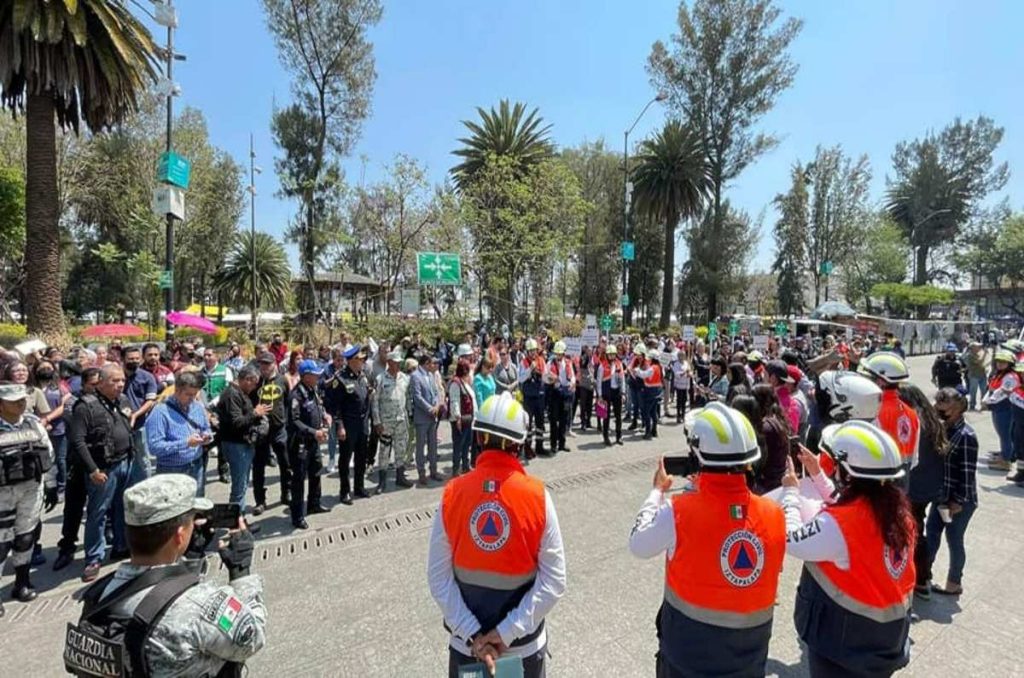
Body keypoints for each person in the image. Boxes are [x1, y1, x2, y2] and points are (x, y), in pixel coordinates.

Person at [629, 402, 786, 677]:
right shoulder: (774, 513)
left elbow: (638, 544)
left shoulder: (678, 511)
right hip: (748, 660)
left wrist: (656, 492)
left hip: (687, 657)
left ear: (698, 455)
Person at [63, 474, 266, 677]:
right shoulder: (201, 607)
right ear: (179, 535)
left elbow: (162, 589)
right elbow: (251, 637)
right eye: (191, 521)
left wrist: (190, 557)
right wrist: (241, 571)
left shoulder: (101, 595)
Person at [428, 392, 566, 677]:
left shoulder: (452, 494)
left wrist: (473, 635)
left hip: (467, 648)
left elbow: (438, 578)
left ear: (478, 438)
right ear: (519, 443)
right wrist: (505, 633)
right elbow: (554, 580)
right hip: (523, 648)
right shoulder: (538, 497)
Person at [781, 420, 915, 677]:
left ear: (848, 473)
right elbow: (847, 506)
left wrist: (790, 494)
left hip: (845, 645)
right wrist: (818, 474)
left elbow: (791, 539)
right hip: (886, 639)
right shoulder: (897, 512)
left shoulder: (839, 525)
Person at [71, 365, 137, 583]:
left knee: (122, 508)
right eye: (114, 381)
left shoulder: (123, 400)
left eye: (122, 381)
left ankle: (120, 546)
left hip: (124, 463)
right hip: (102, 469)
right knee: (98, 512)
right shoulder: (86, 406)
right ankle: (94, 557)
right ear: (101, 382)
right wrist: (93, 470)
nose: (120, 385)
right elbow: (78, 441)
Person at [0, 383, 57, 616]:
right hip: (3, 494)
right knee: (2, 544)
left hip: (31, 489)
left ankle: (22, 583)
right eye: (14, 401)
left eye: (22, 399)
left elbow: (48, 452)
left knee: (25, 537)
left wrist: (51, 485)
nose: (21, 404)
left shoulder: (33, 423)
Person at [926, 387, 979, 596]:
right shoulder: (943, 429)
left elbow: (967, 473)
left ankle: (954, 582)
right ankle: (923, 575)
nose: (939, 414)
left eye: (944, 410)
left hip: (958, 502)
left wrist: (957, 501)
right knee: (931, 535)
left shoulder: (966, 436)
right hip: (941, 497)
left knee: (954, 540)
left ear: (958, 409)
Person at [902, 383, 948, 600]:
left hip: (915, 487)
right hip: (931, 486)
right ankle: (923, 576)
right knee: (919, 529)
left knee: (914, 533)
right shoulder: (934, 422)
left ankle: (920, 578)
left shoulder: (914, 421)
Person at [54, 368, 102, 572]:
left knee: (100, 508)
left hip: (101, 462)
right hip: (79, 461)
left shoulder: (105, 401)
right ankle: (66, 547)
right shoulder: (74, 402)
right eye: (93, 384)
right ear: (83, 384)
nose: (96, 388)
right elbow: (77, 433)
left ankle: (98, 546)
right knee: (73, 508)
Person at [215, 365, 270, 519]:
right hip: (236, 445)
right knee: (239, 488)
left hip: (243, 444)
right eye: (254, 383)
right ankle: (236, 526)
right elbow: (237, 422)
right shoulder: (232, 394)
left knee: (243, 484)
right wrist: (255, 413)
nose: (254, 387)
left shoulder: (240, 393)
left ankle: (239, 521)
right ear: (247, 380)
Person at [144, 371, 212, 495]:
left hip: (196, 466)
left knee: (197, 506)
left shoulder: (197, 407)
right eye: (188, 394)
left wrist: (207, 436)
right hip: (172, 471)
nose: (192, 398)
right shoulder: (160, 412)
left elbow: (206, 428)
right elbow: (154, 447)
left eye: (194, 394)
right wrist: (185, 443)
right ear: (177, 390)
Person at [287, 360, 331, 529]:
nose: (318, 377)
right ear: (306, 376)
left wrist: (325, 416)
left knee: (316, 472)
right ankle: (297, 517)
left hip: (314, 442)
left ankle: (314, 504)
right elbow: (294, 421)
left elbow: (318, 407)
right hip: (300, 444)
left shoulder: (313, 390)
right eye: (315, 375)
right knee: (298, 481)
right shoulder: (296, 395)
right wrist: (314, 432)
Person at [860, 351, 919, 474]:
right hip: (903, 481)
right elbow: (914, 460)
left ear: (881, 381)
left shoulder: (872, 412)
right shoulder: (912, 414)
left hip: (878, 482)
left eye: (868, 377)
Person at [333, 345, 374, 503]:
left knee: (361, 457)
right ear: (351, 361)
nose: (363, 361)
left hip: (362, 424)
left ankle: (359, 487)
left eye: (363, 359)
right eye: (359, 359)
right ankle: (344, 491)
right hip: (348, 425)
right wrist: (340, 426)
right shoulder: (341, 379)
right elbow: (336, 407)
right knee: (345, 458)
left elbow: (364, 394)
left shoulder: (361, 376)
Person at [251, 353, 291, 515]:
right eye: (262, 365)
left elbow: (287, 402)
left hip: (279, 428)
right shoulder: (256, 381)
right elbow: (250, 401)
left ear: (274, 364)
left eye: (267, 365)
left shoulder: (282, 380)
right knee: (259, 466)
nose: (264, 368)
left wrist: (286, 422)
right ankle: (260, 500)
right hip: (261, 430)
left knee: (285, 462)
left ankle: (286, 492)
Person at [371, 350, 414, 491]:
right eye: (395, 362)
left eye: (399, 362)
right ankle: (382, 482)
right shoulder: (380, 379)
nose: (398, 365)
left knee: (401, 449)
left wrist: (409, 413)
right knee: (384, 451)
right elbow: (375, 402)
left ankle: (400, 477)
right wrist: (377, 422)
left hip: (401, 420)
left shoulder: (405, 378)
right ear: (389, 363)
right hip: (386, 422)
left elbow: (407, 398)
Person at [121, 347, 158, 482]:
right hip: (118, 424)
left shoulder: (147, 377)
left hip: (140, 424)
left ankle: (146, 486)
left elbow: (150, 401)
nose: (134, 361)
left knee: (142, 458)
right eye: (131, 359)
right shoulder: (117, 376)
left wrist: (136, 415)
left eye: (137, 358)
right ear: (123, 359)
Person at [982, 348, 1018, 471]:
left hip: (1005, 407)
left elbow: (1001, 392)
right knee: (1002, 433)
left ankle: (1006, 461)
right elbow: (992, 389)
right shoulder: (999, 374)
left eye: (1003, 362)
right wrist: (987, 399)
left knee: (1005, 435)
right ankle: (1004, 455)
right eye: (998, 361)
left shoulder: (1010, 377)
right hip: (998, 407)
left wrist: (988, 402)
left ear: (1010, 364)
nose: (1000, 363)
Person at [411, 353, 444, 486]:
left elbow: (435, 392)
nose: (434, 365)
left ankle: (434, 470)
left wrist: (436, 406)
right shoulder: (415, 376)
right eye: (432, 363)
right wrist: (430, 408)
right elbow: (417, 397)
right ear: (426, 364)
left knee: (433, 445)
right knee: (420, 446)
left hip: (432, 416)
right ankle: (421, 473)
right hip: (422, 417)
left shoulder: (431, 376)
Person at [518, 339, 547, 456]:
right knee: (528, 424)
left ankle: (540, 447)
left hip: (539, 396)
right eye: (530, 351)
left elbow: (545, 375)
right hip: (528, 397)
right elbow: (520, 379)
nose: (532, 353)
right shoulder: (523, 362)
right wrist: (530, 369)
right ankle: (528, 448)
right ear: (527, 351)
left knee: (540, 423)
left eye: (534, 351)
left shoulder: (541, 360)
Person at [545, 341, 575, 453]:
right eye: (556, 353)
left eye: (560, 353)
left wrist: (572, 382)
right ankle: (553, 444)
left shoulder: (568, 362)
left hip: (565, 394)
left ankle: (562, 443)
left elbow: (572, 376)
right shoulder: (549, 363)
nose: (558, 356)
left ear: (563, 353)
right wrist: (552, 378)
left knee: (564, 419)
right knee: (553, 420)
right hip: (554, 394)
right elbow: (546, 377)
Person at [449, 361, 475, 476]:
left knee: (466, 444)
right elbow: (454, 402)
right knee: (458, 445)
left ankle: (465, 465)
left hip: (468, 418)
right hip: (460, 420)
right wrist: (458, 418)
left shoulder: (464, 382)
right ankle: (455, 469)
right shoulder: (455, 383)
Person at [596, 344, 625, 447]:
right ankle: (606, 437)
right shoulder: (602, 365)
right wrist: (599, 395)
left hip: (616, 392)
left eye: (613, 354)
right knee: (605, 416)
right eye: (610, 355)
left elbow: (622, 379)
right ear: (607, 355)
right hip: (605, 393)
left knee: (618, 416)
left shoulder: (619, 364)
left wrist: (623, 393)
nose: (612, 356)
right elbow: (599, 381)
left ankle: (619, 436)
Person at [636, 349, 663, 440]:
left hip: (650, 392)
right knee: (653, 412)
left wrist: (637, 371)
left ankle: (648, 432)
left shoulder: (653, 368)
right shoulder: (659, 367)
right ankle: (654, 430)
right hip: (656, 392)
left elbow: (644, 375)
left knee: (646, 412)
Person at [962, 341, 988, 411]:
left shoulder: (977, 354)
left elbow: (982, 363)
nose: (979, 348)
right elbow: (979, 362)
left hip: (982, 375)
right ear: (973, 348)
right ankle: (972, 406)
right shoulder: (970, 355)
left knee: (984, 391)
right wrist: (985, 354)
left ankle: (983, 405)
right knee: (973, 391)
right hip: (974, 376)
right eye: (978, 347)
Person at [669, 349, 691, 424]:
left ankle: (683, 415)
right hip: (679, 385)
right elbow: (676, 374)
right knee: (679, 401)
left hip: (685, 385)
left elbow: (689, 371)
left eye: (683, 355)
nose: (681, 357)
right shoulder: (676, 364)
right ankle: (678, 415)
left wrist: (689, 374)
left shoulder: (686, 363)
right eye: (680, 355)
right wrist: (684, 372)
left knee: (684, 401)